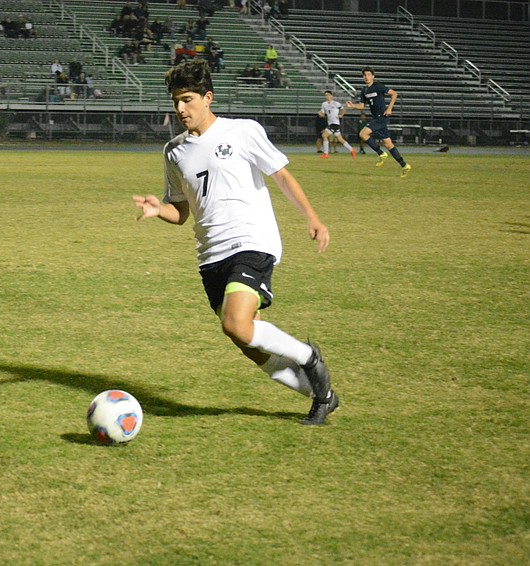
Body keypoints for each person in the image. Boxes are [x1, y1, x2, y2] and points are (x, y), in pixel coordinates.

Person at [132, 59, 338, 426]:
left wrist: (312, 216)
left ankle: (309, 357)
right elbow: (181, 213)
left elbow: (283, 177)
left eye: (188, 99)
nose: (180, 108)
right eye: (176, 101)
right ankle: (320, 394)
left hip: (252, 240)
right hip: (210, 255)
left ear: (208, 97)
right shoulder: (173, 151)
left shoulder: (243, 131)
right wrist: (157, 210)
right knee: (248, 343)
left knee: (235, 323)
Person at [346, 67, 411, 178]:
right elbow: (362, 106)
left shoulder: (378, 86)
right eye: (364, 75)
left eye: (368, 75)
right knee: (388, 144)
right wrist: (352, 106)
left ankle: (381, 153)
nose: (366, 77)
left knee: (363, 134)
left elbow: (394, 94)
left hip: (382, 117)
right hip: (376, 118)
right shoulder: (364, 90)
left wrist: (389, 108)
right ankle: (404, 165)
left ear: (373, 76)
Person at [318, 90, 356, 159]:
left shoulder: (336, 103)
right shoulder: (324, 104)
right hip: (330, 123)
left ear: (331, 96)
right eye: (325, 95)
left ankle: (326, 154)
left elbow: (344, 109)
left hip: (335, 123)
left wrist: (341, 115)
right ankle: (352, 150)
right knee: (340, 139)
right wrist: (320, 114)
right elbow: (323, 114)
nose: (326, 96)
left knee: (324, 135)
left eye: (328, 95)